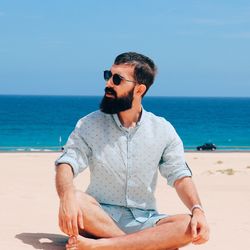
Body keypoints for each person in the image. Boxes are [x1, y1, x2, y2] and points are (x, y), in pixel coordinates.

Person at [55, 52, 209, 250]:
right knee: (75, 199)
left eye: (117, 79)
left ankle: (104, 247)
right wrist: (66, 196)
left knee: (188, 225)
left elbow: (179, 175)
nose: (108, 83)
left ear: (139, 89)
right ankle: (139, 245)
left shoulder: (162, 130)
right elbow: (67, 162)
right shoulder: (89, 124)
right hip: (99, 217)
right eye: (108, 75)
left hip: (146, 221)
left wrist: (198, 210)